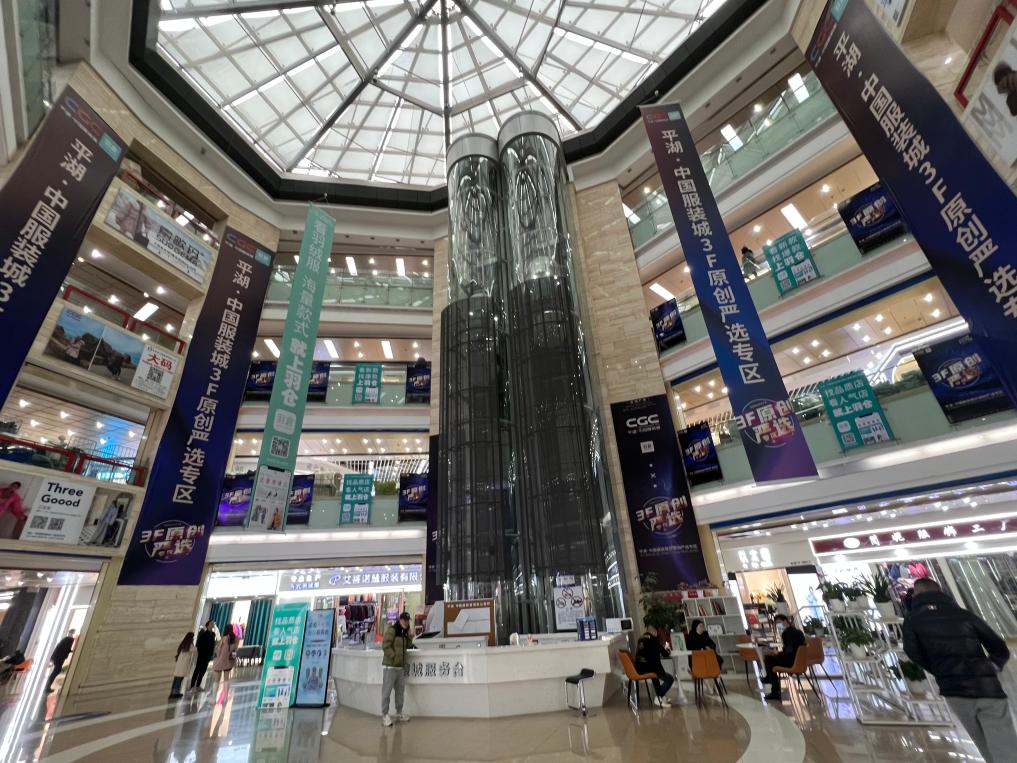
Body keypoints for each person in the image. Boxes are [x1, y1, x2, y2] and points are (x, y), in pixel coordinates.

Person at [903, 578, 1017, 762]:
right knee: (1005, 743)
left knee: (983, 743)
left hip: (954, 690)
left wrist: (940, 670)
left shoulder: (912, 620)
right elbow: (998, 647)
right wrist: (992, 666)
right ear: (939, 591)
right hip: (986, 687)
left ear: (917, 594)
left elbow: (913, 652)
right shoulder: (963, 614)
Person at [762, 614, 805, 701]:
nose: (778, 625)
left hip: (790, 661)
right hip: (800, 661)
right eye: (776, 624)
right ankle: (768, 679)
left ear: (785, 621)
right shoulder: (798, 631)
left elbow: (789, 652)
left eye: (779, 623)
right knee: (771, 659)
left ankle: (774, 690)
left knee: (769, 659)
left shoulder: (786, 634)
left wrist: (776, 653)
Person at [381, 612, 413, 727]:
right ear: (399, 620)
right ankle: (385, 715)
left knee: (400, 692)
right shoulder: (392, 630)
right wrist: (393, 656)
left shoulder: (404, 632)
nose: (406, 622)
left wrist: (410, 635)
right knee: (387, 692)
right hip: (390, 667)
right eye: (404, 620)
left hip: (400, 667)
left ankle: (399, 712)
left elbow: (408, 645)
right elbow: (385, 645)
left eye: (407, 620)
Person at [634, 626, 673, 707]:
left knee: (655, 676)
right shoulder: (653, 639)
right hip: (648, 668)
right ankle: (658, 697)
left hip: (638, 668)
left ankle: (660, 697)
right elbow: (665, 653)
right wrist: (668, 650)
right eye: (656, 633)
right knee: (669, 679)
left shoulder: (640, 638)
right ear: (654, 632)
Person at [45, 629, 75, 694]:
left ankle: (47, 687)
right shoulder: (69, 640)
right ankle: (47, 687)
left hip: (58, 658)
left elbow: (58, 648)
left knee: (55, 672)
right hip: (59, 658)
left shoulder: (65, 639)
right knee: (55, 672)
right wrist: (71, 651)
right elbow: (65, 649)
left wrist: (52, 658)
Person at [190, 620, 216, 691]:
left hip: (208, 656)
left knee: (203, 671)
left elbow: (212, 645)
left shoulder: (213, 634)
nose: (213, 624)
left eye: (213, 624)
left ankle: (198, 685)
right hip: (201, 656)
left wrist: (211, 655)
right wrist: (201, 654)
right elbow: (199, 645)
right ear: (207, 625)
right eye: (211, 623)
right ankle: (192, 686)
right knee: (197, 670)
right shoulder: (203, 634)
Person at [170, 632, 195, 699]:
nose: (193, 639)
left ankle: (172, 693)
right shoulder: (189, 645)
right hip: (183, 665)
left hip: (179, 664)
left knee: (176, 678)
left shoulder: (183, 644)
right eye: (192, 637)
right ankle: (175, 693)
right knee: (179, 679)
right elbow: (195, 650)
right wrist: (192, 643)